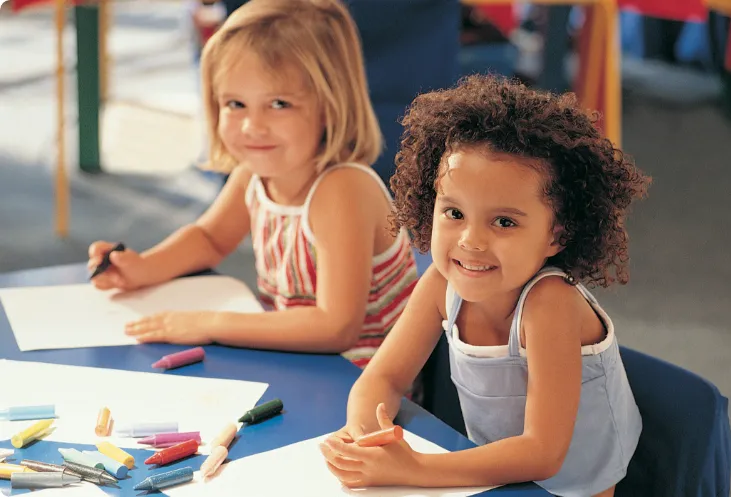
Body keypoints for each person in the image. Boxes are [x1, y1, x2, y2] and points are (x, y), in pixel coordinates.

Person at [319, 74, 651, 496]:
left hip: (572, 488)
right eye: (454, 213)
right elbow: (381, 380)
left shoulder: (550, 304)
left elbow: (543, 453)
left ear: (557, 235)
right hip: (494, 477)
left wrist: (413, 467)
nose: (471, 241)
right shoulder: (440, 284)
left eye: (505, 222)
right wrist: (366, 436)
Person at [88, 0, 418, 368]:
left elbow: (336, 326)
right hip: (303, 365)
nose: (252, 127)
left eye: (278, 104)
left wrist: (210, 323)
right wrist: (141, 268)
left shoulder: (341, 190)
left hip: (361, 389)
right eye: (235, 104)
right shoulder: (254, 173)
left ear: (330, 104)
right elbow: (210, 239)